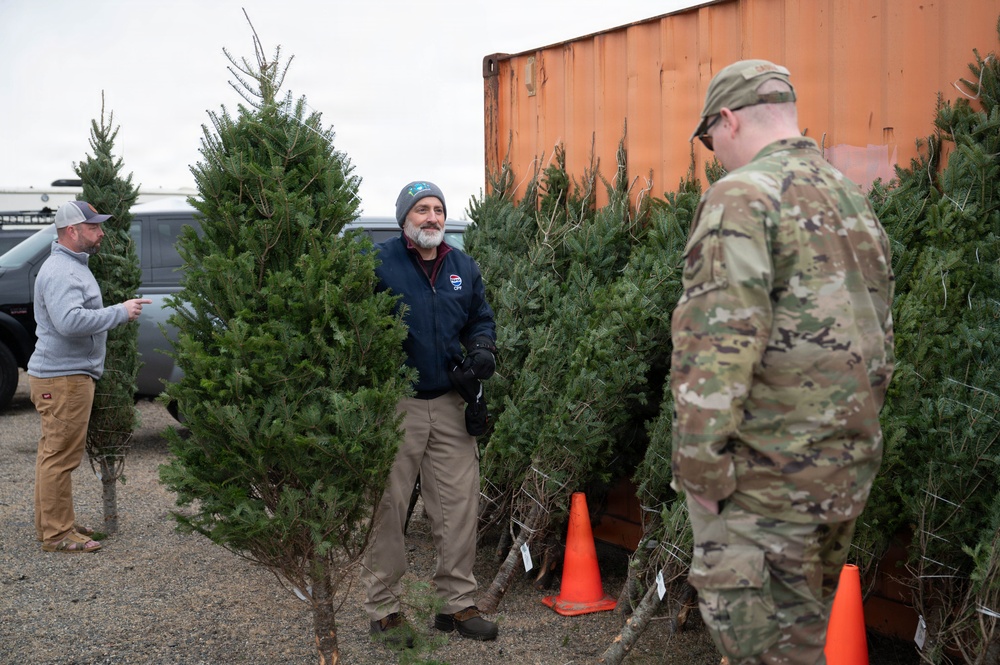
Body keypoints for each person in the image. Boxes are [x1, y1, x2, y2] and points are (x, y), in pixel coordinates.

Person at [670, 60, 895, 664]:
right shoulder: (852, 200)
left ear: (728, 118)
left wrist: (702, 476)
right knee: (799, 640)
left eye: (709, 137)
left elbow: (716, 350)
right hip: (839, 475)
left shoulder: (741, 195)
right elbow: (878, 338)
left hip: (763, 483)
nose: (713, 151)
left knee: (764, 649)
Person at [361, 181, 499, 647]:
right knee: (388, 506)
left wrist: (481, 348)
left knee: (460, 506)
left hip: (450, 403)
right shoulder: (379, 263)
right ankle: (384, 608)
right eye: (422, 209)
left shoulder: (462, 266)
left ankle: (456, 605)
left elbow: (481, 317)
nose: (432, 218)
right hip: (395, 403)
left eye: (438, 210)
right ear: (404, 218)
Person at [29, 200, 152, 554]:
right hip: (63, 380)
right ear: (72, 231)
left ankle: (52, 524)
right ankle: (57, 535)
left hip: (60, 377)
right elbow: (69, 322)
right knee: (60, 458)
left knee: (51, 454)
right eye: (94, 227)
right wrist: (119, 312)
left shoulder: (69, 266)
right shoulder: (63, 271)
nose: (101, 233)